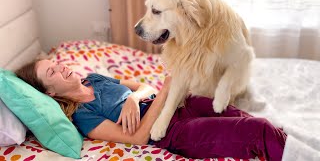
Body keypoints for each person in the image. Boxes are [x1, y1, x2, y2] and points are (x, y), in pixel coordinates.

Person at [16, 59, 287, 161]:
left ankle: (285, 145)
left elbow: (144, 86)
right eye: (52, 71)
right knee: (257, 129)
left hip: (179, 105)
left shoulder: (95, 79)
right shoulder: (82, 115)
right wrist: (163, 93)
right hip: (172, 130)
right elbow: (137, 138)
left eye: (55, 62)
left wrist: (134, 98)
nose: (61, 67)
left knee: (233, 111)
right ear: (49, 92)